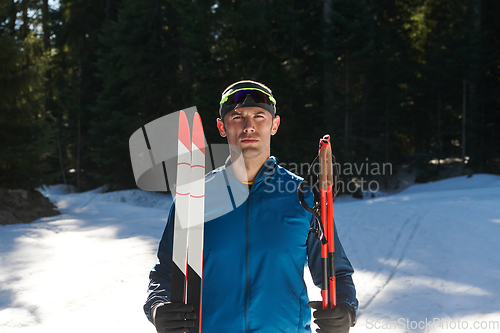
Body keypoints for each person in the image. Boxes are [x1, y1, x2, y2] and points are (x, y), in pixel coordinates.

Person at [144, 80, 358, 333]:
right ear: (221, 127)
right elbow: (167, 271)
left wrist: (345, 309)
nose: (249, 126)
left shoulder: (304, 198)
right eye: (237, 117)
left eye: (259, 116)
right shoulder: (194, 198)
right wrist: (158, 307)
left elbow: (336, 272)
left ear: (274, 125)